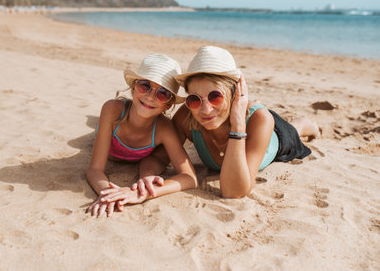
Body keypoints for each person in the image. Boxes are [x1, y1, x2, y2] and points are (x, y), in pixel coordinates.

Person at [136, 46, 318, 198]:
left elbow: (233, 192)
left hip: (275, 135)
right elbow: (159, 157)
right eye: (194, 99)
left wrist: (239, 123)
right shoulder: (187, 116)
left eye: (215, 97)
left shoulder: (260, 120)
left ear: (233, 94)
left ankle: (305, 123)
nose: (205, 110)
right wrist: (147, 177)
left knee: (294, 129)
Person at [86, 54, 198, 217]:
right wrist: (109, 195)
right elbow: (94, 170)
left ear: (168, 104)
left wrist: (143, 193)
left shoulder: (164, 128)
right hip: (109, 133)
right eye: (145, 86)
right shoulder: (112, 110)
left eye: (162, 93)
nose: (150, 96)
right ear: (132, 88)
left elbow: (190, 178)